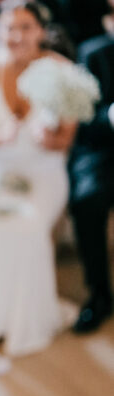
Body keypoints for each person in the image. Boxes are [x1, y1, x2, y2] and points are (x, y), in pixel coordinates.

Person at [0, 0, 77, 356]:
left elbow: (66, 137)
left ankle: (26, 321)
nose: (17, 35)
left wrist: (49, 139)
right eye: (9, 27)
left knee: (29, 225)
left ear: (40, 31)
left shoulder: (61, 70)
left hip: (41, 169)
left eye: (26, 27)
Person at [70, 34, 114, 333]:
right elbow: (82, 119)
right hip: (104, 151)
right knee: (87, 200)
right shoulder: (94, 53)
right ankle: (99, 293)